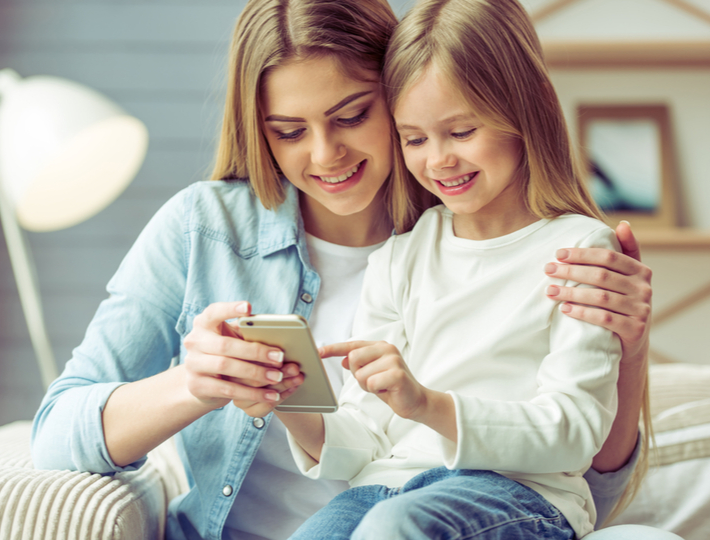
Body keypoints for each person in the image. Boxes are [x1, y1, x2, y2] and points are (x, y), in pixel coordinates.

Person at [29, 1, 652, 539]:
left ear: (401, 87)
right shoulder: (210, 230)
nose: (325, 155)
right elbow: (57, 434)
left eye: (352, 115)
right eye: (288, 131)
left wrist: (631, 350)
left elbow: (576, 487)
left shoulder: (479, 221)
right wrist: (201, 384)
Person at [270, 0, 652, 538]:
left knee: (392, 527)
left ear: (521, 113)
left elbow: (574, 430)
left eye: (461, 131)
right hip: (387, 486)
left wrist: (428, 404)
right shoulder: (400, 258)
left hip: (519, 494)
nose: (438, 160)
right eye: (415, 138)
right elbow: (366, 442)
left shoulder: (580, 249)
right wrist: (288, 401)